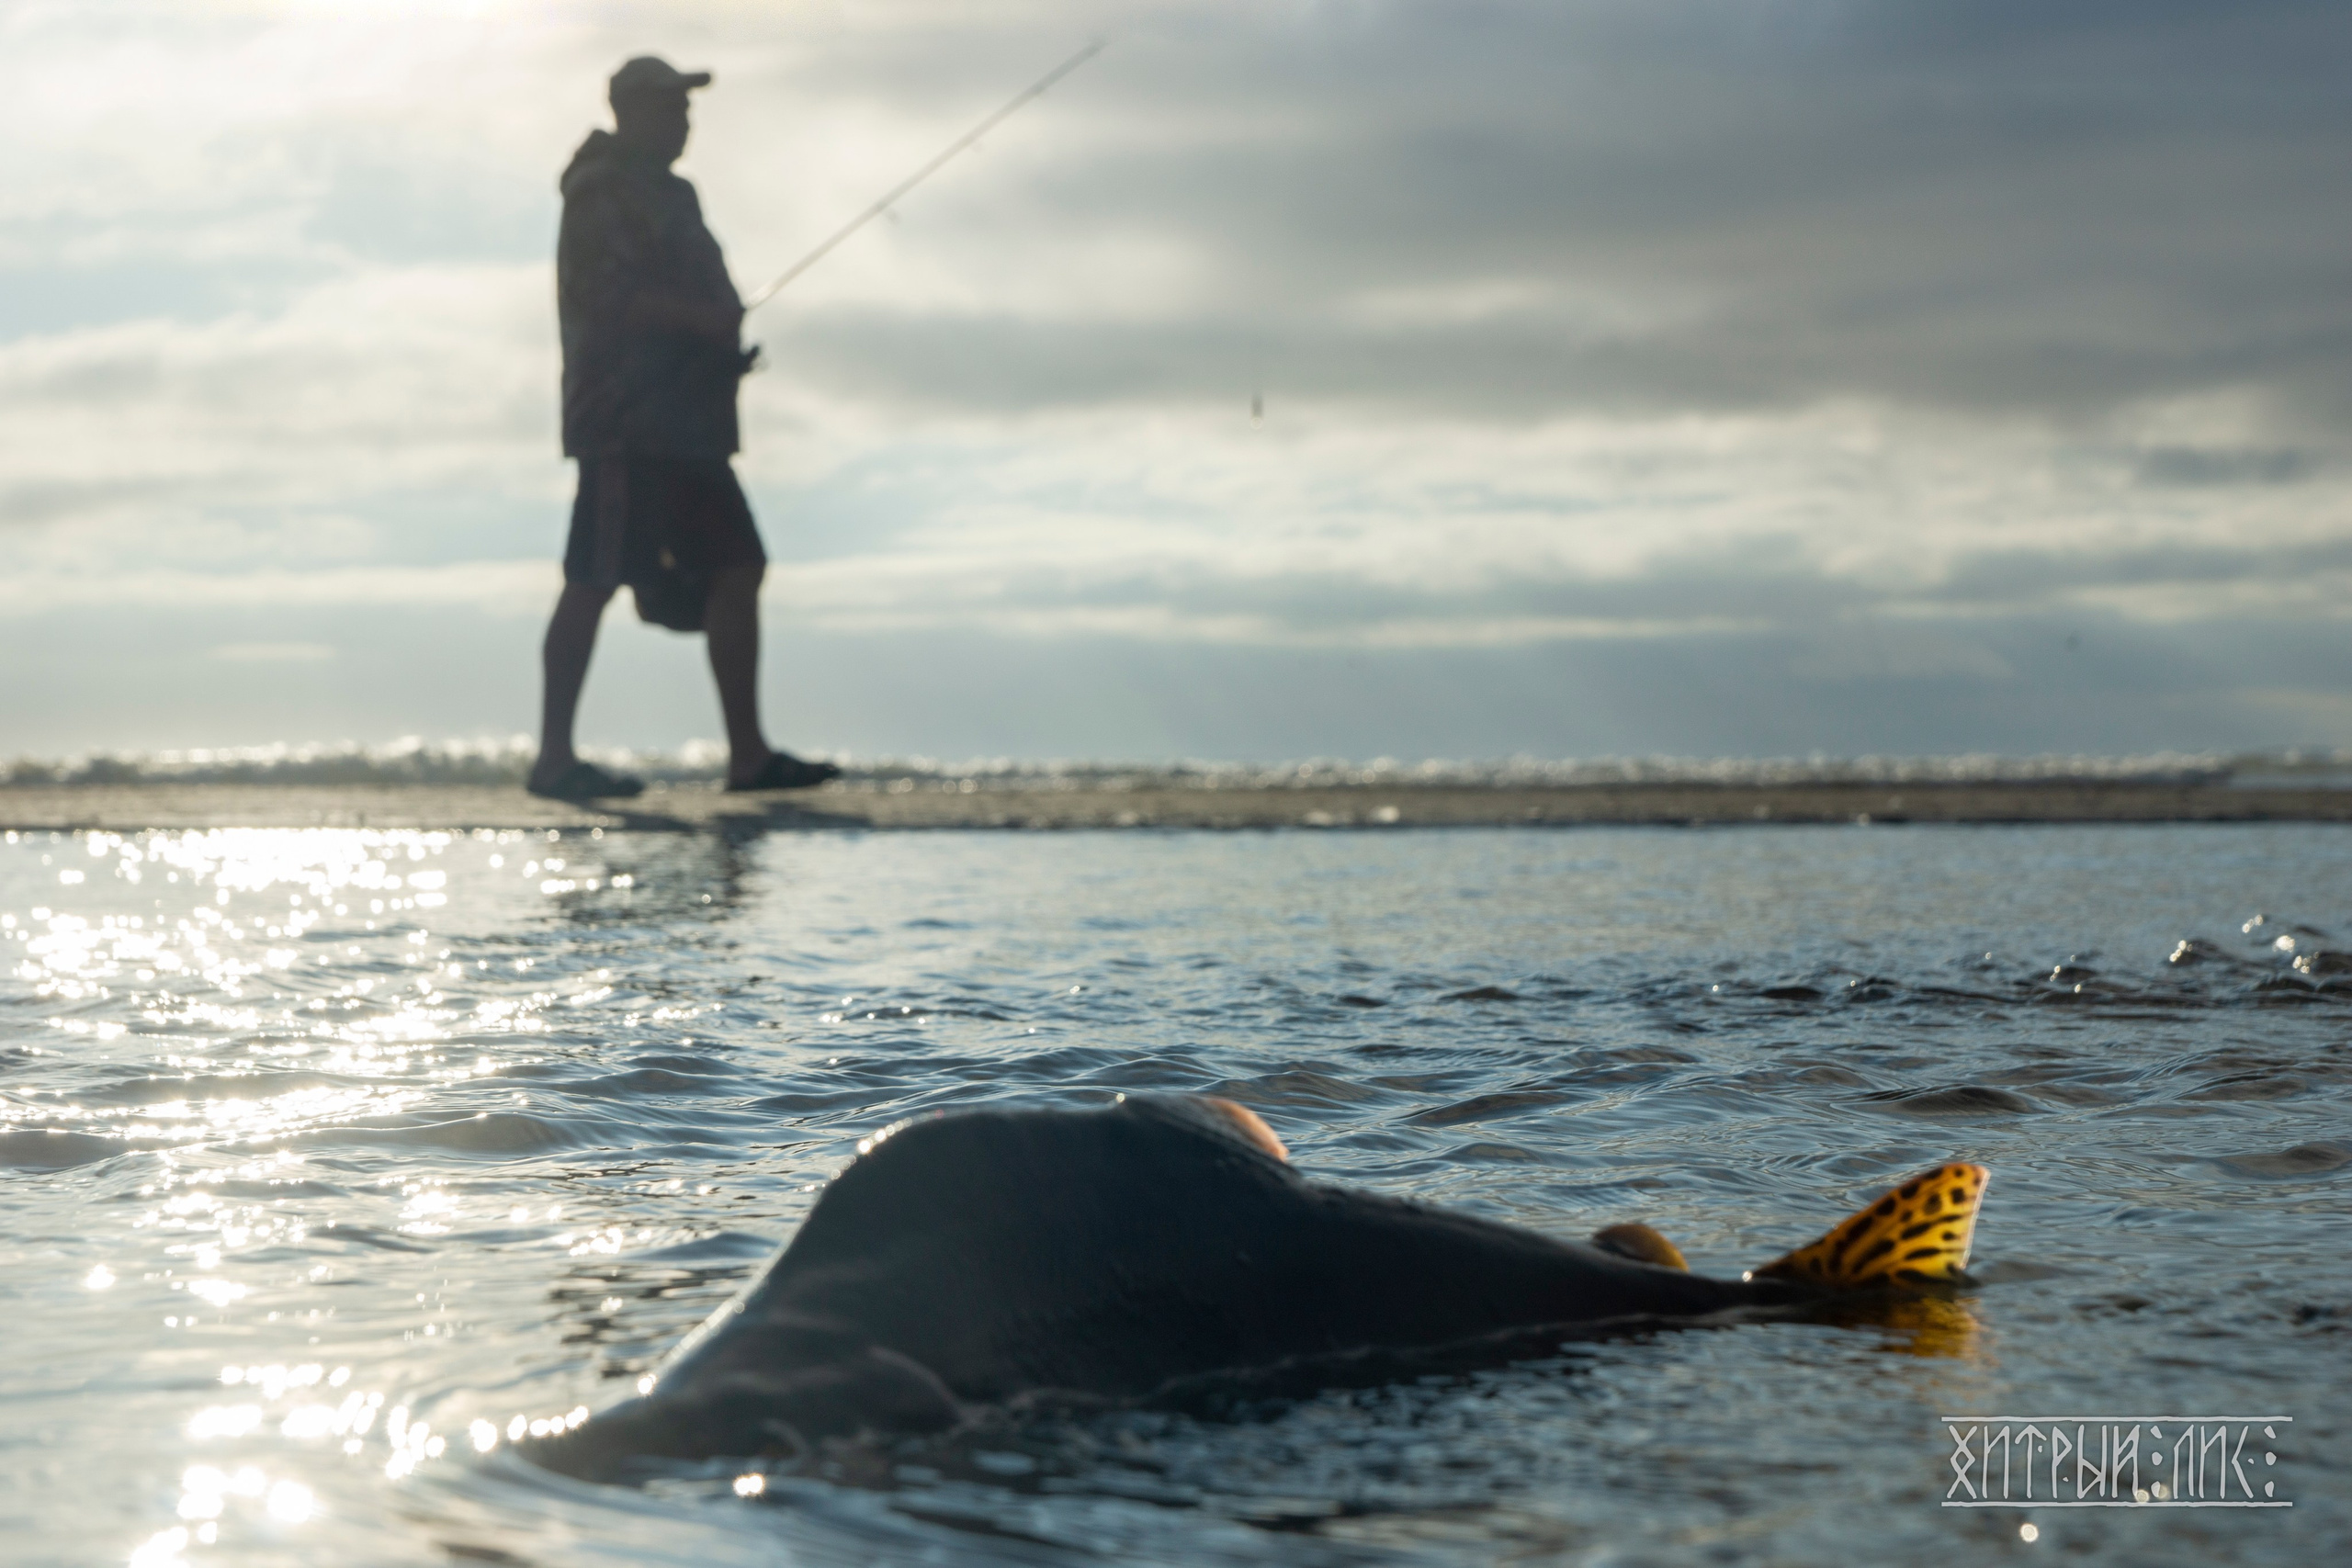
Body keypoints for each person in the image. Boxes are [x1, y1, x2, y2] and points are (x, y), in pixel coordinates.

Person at [527, 55, 841, 800]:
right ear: (631, 112)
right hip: (625, 424)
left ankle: (749, 756)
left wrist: (718, 350)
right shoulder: (600, 191)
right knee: (593, 577)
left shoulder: (673, 193)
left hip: (690, 425)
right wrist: (702, 323)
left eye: (686, 108)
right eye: (671, 107)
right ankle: (553, 759)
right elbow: (608, 298)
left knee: (738, 565)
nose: (684, 120)